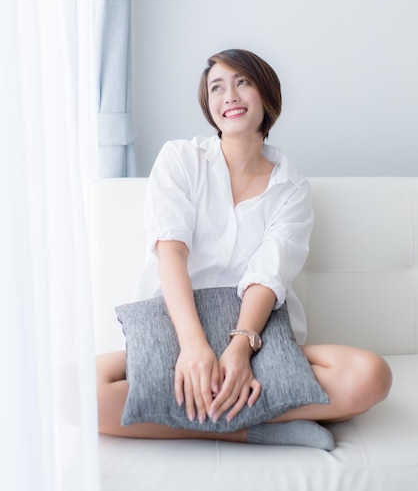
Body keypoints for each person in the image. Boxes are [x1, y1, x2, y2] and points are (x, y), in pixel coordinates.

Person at [96, 48, 392, 448]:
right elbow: (172, 253)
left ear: (266, 95)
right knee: (76, 392)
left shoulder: (292, 187)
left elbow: (268, 276)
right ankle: (257, 428)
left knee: (371, 375)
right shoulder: (180, 159)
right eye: (217, 87)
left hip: (257, 334)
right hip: (177, 325)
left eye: (243, 83)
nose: (229, 96)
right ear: (208, 105)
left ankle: (216, 411)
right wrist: (194, 347)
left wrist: (239, 349)